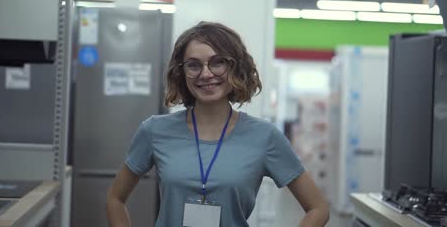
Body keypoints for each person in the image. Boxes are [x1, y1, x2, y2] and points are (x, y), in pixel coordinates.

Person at [106, 21, 330, 227]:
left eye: (217, 63)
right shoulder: (154, 130)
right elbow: (115, 199)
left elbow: (318, 209)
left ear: (235, 67)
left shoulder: (265, 137)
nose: (206, 74)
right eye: (193, 65)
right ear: (181, 73)